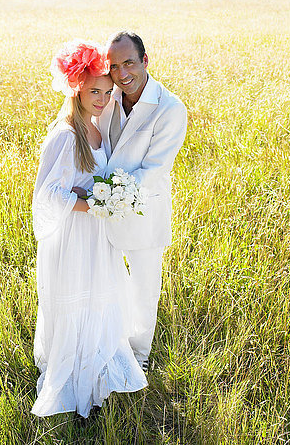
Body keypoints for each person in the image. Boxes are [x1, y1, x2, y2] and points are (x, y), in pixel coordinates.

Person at [31, 40, 147, 419]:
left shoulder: (96, 129)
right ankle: (73, 375)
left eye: (107, 92)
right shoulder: (66, 135)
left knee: (100, 297)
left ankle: (97, 367)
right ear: (76, 89)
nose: (102, 98)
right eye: (94, 91)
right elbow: (48, 194)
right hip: (74, 237)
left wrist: (108, 198)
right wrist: (96, 203)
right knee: (78, 300)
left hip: (97, 236)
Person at [93, 31, 188, 372]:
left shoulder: (171, 108)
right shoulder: (107, 97)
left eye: (129, 62)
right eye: (114, 66)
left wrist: (109, 195)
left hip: (143, 210)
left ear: (145, 61)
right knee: (105, 282)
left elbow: (154, 168)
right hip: (100, 212)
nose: (121, 73)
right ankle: (107, 345)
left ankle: (139, 358)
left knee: (144, 289)